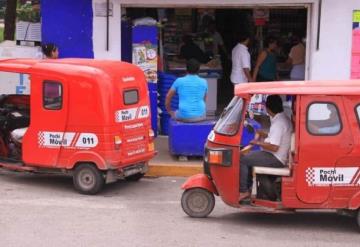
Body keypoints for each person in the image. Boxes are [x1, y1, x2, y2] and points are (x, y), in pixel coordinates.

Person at [239, 95, 292, 201]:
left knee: (242, 158)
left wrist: (257, 142)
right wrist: (262, 134)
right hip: (275, 155)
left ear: (267, 108)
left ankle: (244, 190)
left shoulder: (279, 123)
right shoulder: (282, 118)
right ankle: (248, 189)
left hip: (275, 157)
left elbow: (274, 147)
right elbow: (274, 138)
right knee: (248, 157)